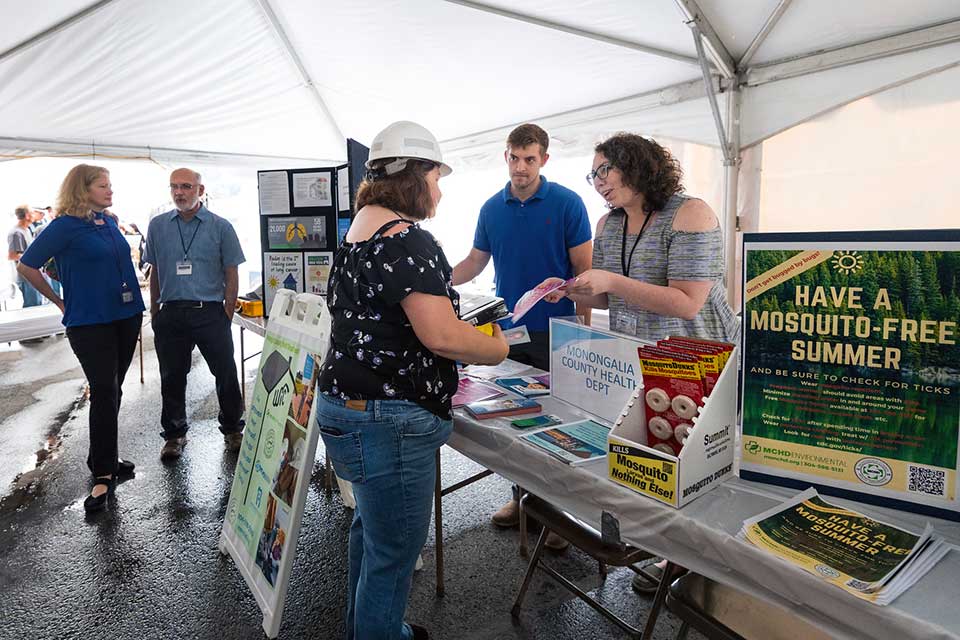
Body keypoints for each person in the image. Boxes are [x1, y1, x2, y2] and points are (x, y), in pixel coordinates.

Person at [316, 121, 508, 640]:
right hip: (389, 420)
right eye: (437, 176)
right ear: (414, 177)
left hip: (346, 407)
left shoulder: (357, 232)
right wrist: (497, 347)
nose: (440, 189)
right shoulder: (409, 240)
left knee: (371, 533)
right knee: (395, 553)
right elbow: (443, 337)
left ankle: (367, 628)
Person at [541, 132, 739, 592]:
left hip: (698, 360)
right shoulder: (609, 224)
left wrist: (609, 278)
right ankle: (665, 552)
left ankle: (688, 564)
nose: (598, 182)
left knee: (694, 466)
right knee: (652, 459)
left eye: (604, 170)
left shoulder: (690, 213)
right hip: (640, 359)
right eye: (592, 174)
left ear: (636, 164)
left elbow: (688, 303)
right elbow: (609, 292)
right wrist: (574, 288)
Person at [451, 123, 592, 545]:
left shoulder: (568, 203)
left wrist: (583, 333)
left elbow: (585, 273)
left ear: (544, 159)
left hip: (557, 332)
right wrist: (432, 281)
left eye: (530, 159)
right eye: (514, 158)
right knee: (514, 423)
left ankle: (557, 514)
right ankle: (522, 498)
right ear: (506, 157)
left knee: (555, 424)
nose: (521, 167)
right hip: (508, 335)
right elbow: (475, 263)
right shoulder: (492, 208)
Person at [17, 164, 145, 513]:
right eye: (103, 186)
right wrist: (59, 300)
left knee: (113, 389)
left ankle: (102, 457)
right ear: (82, 189)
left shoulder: (109, 221)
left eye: (110, 185)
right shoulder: (63, 227)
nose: (110, 191)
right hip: (91, 322)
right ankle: (103, 473)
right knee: (104, 391)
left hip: (126, 314)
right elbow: (27, 266)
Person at [143, 168, 246, 461]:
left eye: (186, 186)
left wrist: (226, 311)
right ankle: (174, 435)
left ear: (200, 190)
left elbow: (231, 271)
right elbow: (156, 270)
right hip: (172, 314)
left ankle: (232, 430)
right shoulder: (158, 226)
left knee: (225, 373)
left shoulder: (220, 226)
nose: (179, 192)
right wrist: (155, 309)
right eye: (174, 187)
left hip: (210, 312)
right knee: (172, 377)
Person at [7, 205, 42, 308]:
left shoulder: (26, 230)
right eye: (32, 213)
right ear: (27, 215)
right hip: (25, 277)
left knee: (38, 305)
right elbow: (12, 255)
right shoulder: (16, 233)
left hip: (33, 275)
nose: (35, 215)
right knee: (33, 307)